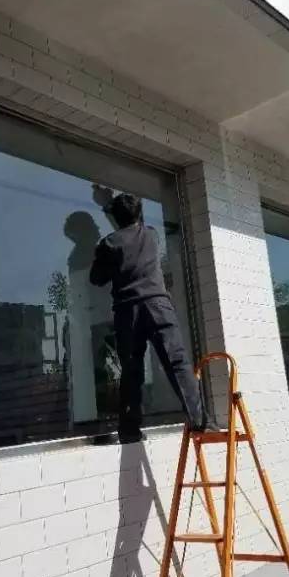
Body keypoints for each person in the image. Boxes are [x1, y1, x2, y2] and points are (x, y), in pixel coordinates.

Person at [89, 189, 217, 442]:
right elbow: (133, 228)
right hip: (158, 306)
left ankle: (129, 430)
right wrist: (109, 204)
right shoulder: (151, 235)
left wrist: (101, 256)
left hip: (128, 311)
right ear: (139, 214)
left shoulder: (109, 243)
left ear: (116, 217)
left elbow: (97, 278)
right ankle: (200, 422)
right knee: (177, 363)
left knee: (131, 370)